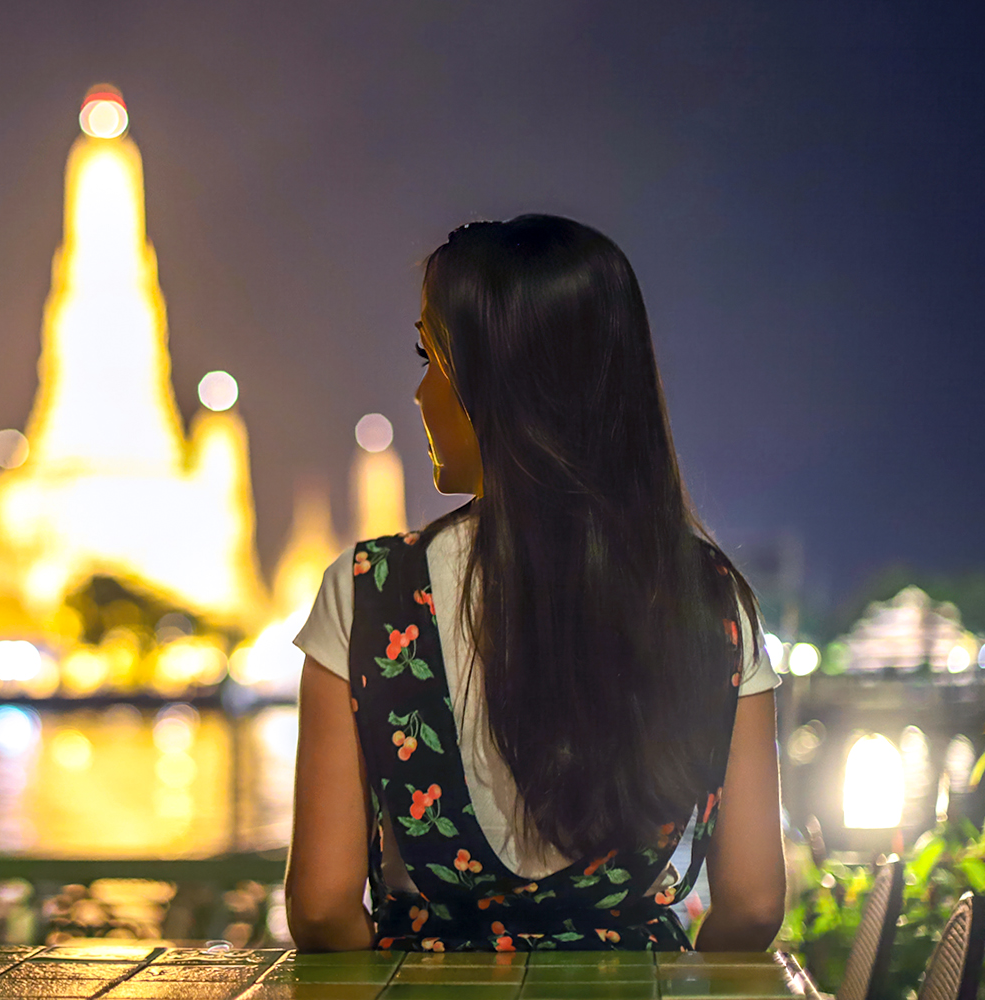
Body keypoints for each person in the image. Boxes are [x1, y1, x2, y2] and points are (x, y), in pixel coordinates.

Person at [284, 215, 786, 953]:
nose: (421, 391)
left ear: (501, 381)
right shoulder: (712, 600)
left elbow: (324, 907)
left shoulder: (370, 593)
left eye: (433, 356)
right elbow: (753, 903)